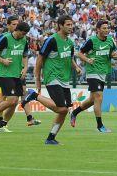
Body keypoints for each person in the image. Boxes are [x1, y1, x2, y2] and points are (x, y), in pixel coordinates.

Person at [23, 15, 83, 145]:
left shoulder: (70, 42)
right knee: (61, 109)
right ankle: (34, 95)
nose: (71, 27)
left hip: (64, 79)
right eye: (68, 24)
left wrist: (76, 67)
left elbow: (70, 58)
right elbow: (40, 59)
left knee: (64, 110)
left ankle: (51, 137)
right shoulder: (51, 40)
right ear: (60, 25)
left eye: (72, 25)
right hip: (52, 77)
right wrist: (37, 78)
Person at [71, 20, 116, 133]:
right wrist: (87, 60)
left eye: (107, 28)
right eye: (104, 28)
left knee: (92, 100)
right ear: (98, 30)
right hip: (92, 72)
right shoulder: (91, 41)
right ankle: (100, 126)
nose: (106, 30)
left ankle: (74, 113)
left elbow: (113, 53)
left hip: (103, 72)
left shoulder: (110, 40)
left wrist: (113, 55)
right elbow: (79, 53)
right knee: (99, 97)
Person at [0, 20, 29, 133]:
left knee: (15, 102)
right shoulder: (5, 38)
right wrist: (2, 60)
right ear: (17, 30)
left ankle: (2, 124)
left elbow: (24, 55)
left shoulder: (24, 40)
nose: (24, 36)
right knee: (12, 99)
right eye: (23, 33)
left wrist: (25, 68)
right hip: (5, 73)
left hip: (17, 74)